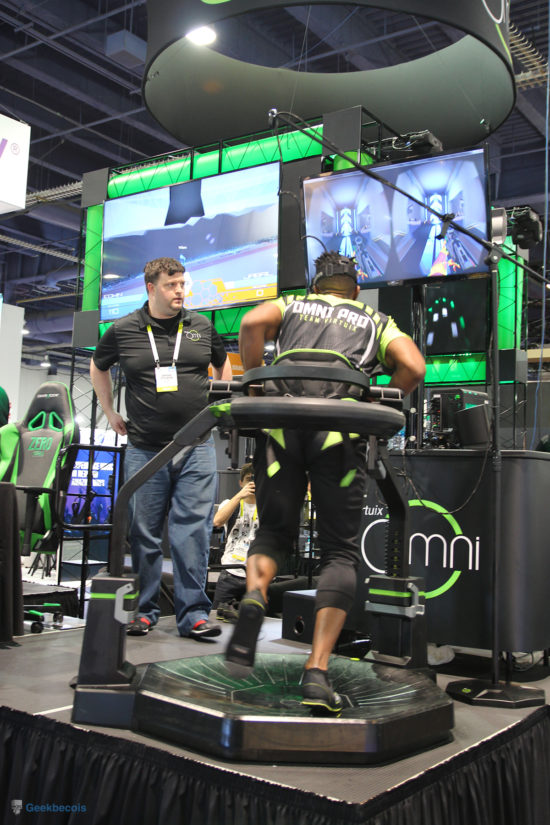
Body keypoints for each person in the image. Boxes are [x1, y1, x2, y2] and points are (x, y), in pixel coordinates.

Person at [225, 251, 425, 713]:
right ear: (355, 290)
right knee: (339, 552)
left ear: (316, 286)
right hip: (340, 434)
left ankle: (254, 596)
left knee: (273, 534)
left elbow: (252, 323)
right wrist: (379, 401)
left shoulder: (293, 304)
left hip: (282, 427)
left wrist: (254, 383)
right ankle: (316, 672)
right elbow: (413, 367)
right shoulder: (375, 319)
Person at [91, 256, 232, 639]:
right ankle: (144, 611)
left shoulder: (201, 326)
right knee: (144, 533)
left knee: (192, 532)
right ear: (150, 288)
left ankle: (194, 615)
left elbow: (223, 366)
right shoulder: (123, 329)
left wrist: (218, 408)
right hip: (145, 448)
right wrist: (109, 411)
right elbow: (98, 366)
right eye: (172, 285)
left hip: (196, 446)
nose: (180, 291)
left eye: (183, 284)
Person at [212, 462, 257, 621]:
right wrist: (239, 496)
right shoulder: (230, 503)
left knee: (252, 622)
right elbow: (217, 522)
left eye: (256, 479)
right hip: (230, 573)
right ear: (241, 482)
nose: (253, 483)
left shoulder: (267, 506)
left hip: (256, 576)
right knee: (216, 617)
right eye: (249, 479)